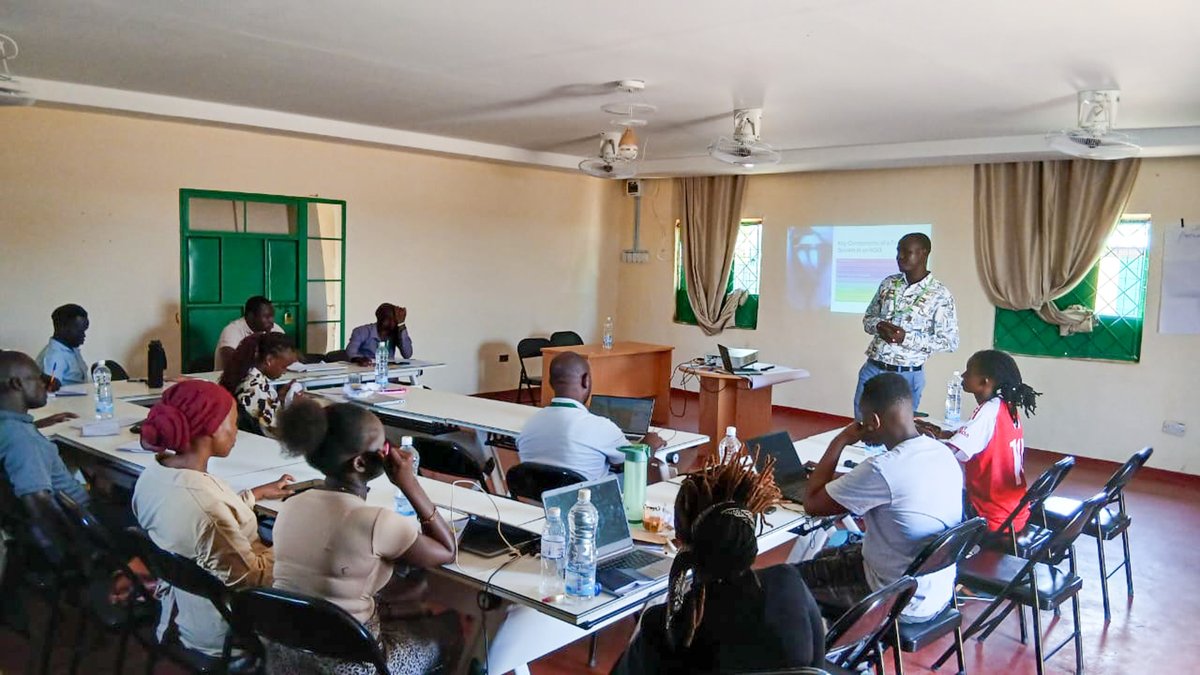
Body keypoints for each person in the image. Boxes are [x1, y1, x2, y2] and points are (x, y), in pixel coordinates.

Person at [270, 399, 461, 673]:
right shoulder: (374, 521)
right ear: (360, 463)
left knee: (405, 599)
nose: (390, 453)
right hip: (353, 665)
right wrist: (409, 482)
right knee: (449, 627)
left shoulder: (292, 505)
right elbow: (447, 550)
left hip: (285, 656)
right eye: (384, 447)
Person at [612, 446, 825, 675]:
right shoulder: (788, 585)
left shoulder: (667, 626)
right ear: (748, 538)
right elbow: (815, 666)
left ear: (680, 541)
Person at [132, 380, 294, 657]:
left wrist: (254, 495)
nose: (237, 431)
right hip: (225, 629)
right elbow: (252, 579)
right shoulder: (207, 509)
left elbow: (203, 526)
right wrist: (293, 543)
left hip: (182, 607)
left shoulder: (153, 476)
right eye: (233, 423)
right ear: (210, 428)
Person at [799, 373, 963, 623]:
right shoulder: (942, 453)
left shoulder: (882, 468)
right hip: (934, 591)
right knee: (825, 557)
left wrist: (841, 440)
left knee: (785, 583)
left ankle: (827, 643)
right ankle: (844, 641)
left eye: (862, 419)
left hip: (893, 598)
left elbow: (812, 503)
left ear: (873, 421)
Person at [916, 350, 1041, 532]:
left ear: (984, 382)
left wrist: (917, 439)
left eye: (968, 371)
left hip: (991, 515)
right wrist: (944, 434)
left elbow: (949, 453)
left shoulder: (988, 411)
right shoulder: (1006, 406)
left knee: (927, 492)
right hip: (1013, 512)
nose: (963, 375)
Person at [855, 233, 958, 419]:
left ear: (924, 253)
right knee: (863, 426)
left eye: (906, 252)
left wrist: (905, 338)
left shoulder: (939, 294)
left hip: (907, 375)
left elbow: (949, 342)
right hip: (873, 368)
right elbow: (868, 318)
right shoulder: (889, 283)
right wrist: (878, 325)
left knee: (898, 430)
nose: (899, 257)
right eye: (898, 251)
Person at [517, 352, 664, 480]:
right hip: (591, 501)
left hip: (537, 500)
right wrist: (648, 445)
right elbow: (633, 462)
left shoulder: (528, 426)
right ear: (585, 380)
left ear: (550, 383)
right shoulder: (601, 427)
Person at [0, 351, 85, 514]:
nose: (45, 384)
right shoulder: (25, 441)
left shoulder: (10, 428)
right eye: (38, 378)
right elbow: (40, 506)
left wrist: (36, 425)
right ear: (17, 383)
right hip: (82, 515)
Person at [218, 332, 300, 437]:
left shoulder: (247, 376)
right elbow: (273, 432)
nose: (285, 372)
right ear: (269, 360)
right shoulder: (256, 389)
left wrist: (280, 399)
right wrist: (295, 409)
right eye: (284, 367)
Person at [214, 296, 284, 371]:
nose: (271, 320)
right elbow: (231, 362)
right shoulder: (232, 330)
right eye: (266, 317)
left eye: (272, 316)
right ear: (251, 316)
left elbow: (287, 352)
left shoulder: (274, 328)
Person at [36, 304, 90, 385]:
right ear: (63, 328)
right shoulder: (54, 356)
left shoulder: (71, 349)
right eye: (80, 331)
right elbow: (51, 390)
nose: (84, 335)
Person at [346, 303, 414, 363]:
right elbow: (350, 352)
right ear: (379, 317)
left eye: (395, 319)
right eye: (388, 318)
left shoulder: (397, 333)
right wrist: (359, 359)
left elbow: (407, 354)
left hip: (388, 371)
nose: (393, 321)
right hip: (365, 371)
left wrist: (401, 324)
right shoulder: (361, 331)